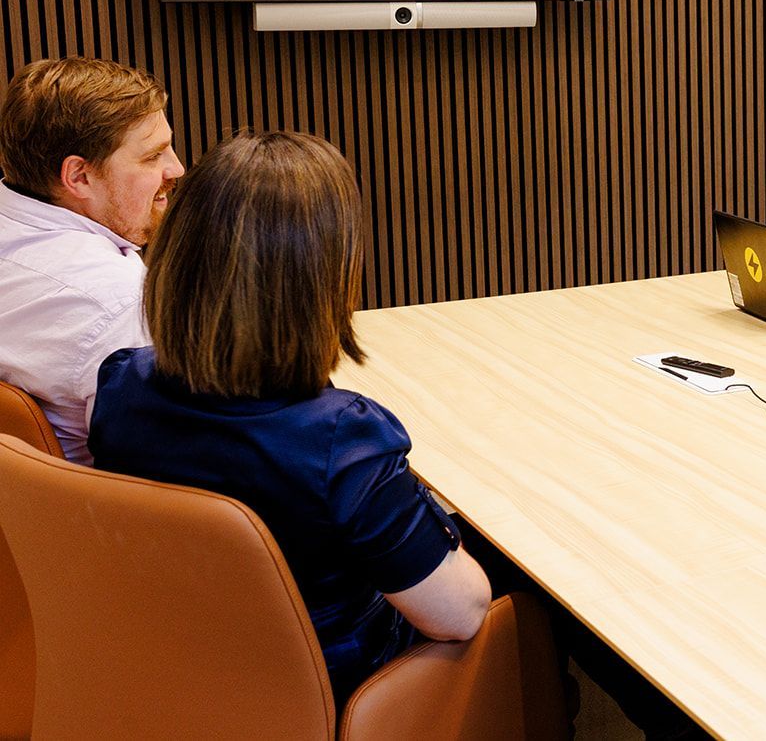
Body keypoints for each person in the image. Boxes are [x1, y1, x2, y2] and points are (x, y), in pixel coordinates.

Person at [89, 132, 490, 700]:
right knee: (523, 584)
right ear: (321, 277)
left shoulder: (121, 384)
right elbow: (460, 616)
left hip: (176, 674)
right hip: (337, 693)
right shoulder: (340, 440)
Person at [0, 57, 184, 464]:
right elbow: (170, 468)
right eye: (153, 156)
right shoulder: (120, 304)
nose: (177, 168)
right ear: (79, 177)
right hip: (108, 519)